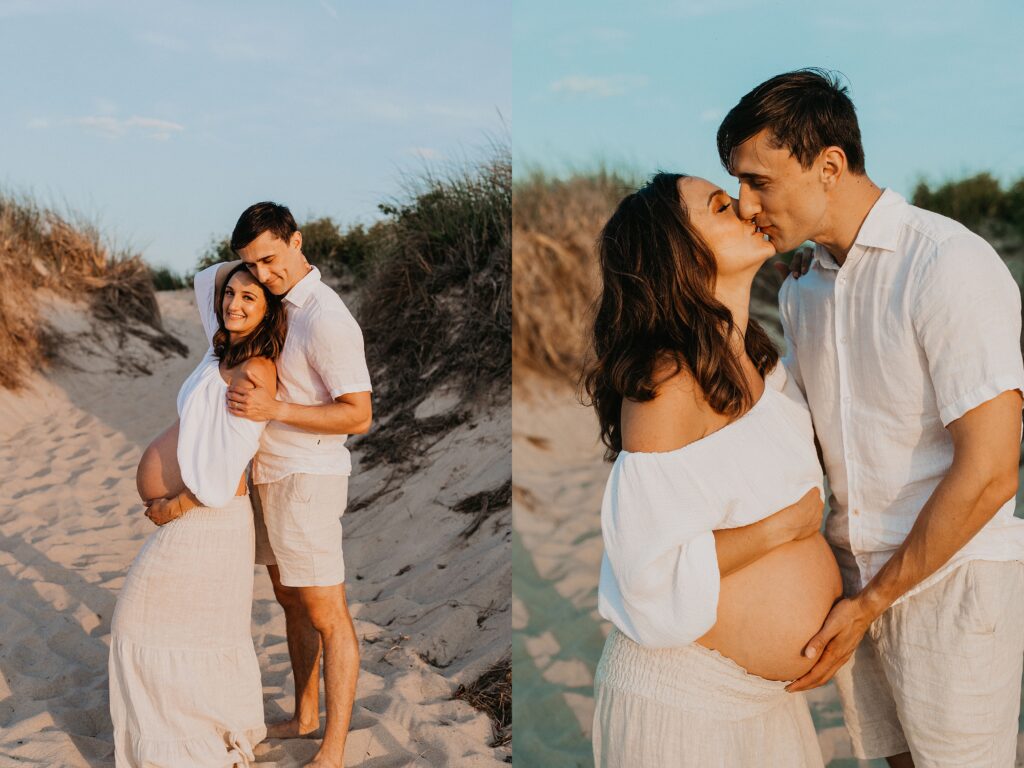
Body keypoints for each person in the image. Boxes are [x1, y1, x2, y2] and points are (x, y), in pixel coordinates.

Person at [717, 68, 1024, 767]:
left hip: (952, 586)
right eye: (737, 183)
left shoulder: (947, 264)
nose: (745, 204)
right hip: (853, 587)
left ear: (829, 166)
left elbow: (992, 472)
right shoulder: (803, 293)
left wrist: (869, 604)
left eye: (759, 181)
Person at [585, 171, 842, 767]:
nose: (749, 208)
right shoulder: (667, 382)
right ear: (677, 249)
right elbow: (644, 569)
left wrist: (817, 286)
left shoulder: (760, 359)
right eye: (722, 206)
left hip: (763, 704)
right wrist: (784, 529)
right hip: (686, 699)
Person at [195, 202, 373, 768]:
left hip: (308, 481)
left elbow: (358, 415)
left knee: (327, 612)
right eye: (252, 264)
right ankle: (303, 716)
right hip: (268, 475)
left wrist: (276, 406)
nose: (263, 274)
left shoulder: (326, 317)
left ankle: (334, 750)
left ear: (297, 241)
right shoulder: (276, 305)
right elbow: (210, 285)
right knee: (290, 601)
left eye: (271, 259)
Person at [110, 263, 287, 767]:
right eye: (230, 294)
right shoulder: (222, 347)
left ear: (269, 307)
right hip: (201, 519)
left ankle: (189, 746)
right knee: (190, 631)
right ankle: (194, 731)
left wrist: (173, 504)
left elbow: (232, 462)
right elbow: (203, 277)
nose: (233, 303)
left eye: (250, 298)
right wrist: (252, 269)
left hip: (207, 517)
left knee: (136, 624)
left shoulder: (254, 370)